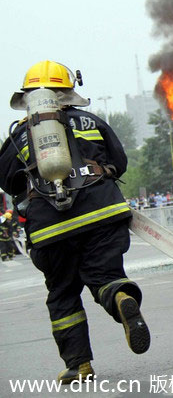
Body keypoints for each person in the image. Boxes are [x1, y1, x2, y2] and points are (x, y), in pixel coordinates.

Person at [0, 60, 150, 383]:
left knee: (63, 294)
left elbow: (6, 180)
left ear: (28, 98)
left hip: (49, 229)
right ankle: (121, 296)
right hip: (102, 214)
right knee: (105, 275)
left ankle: (78, 364)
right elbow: (119, 162)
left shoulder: (20, 136)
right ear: (69, 91)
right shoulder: (90, 120)